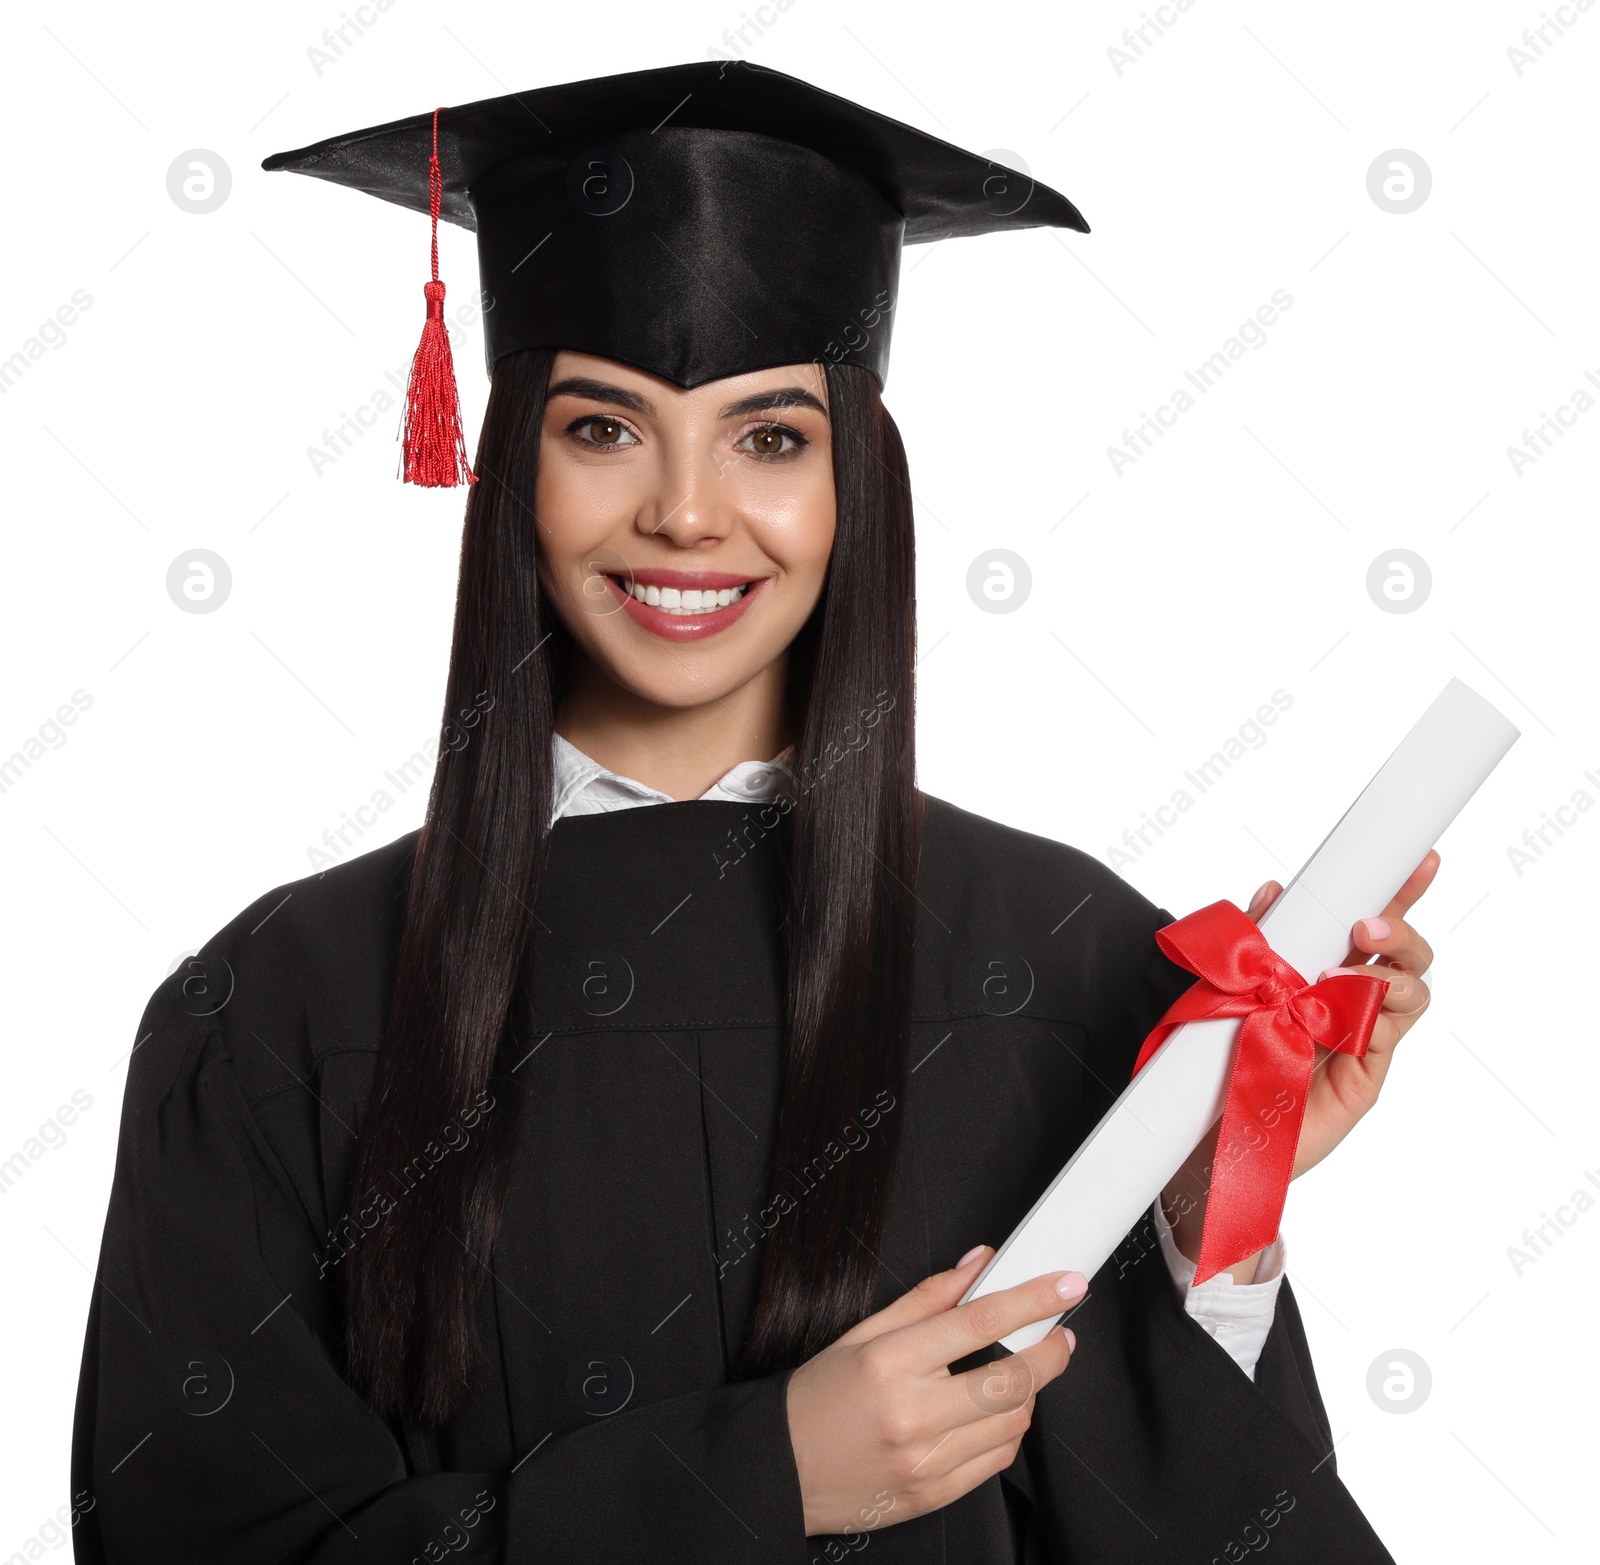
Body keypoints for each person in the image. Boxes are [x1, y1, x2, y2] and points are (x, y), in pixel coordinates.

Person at [70, 61, 1437, 1564]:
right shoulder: (278, 1006)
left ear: (860, 477)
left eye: (770, 437)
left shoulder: (1063, 958)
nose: (684, 512)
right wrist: (759, 1472)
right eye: (603, 428)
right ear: (509, 457)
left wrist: (1203, 1220)